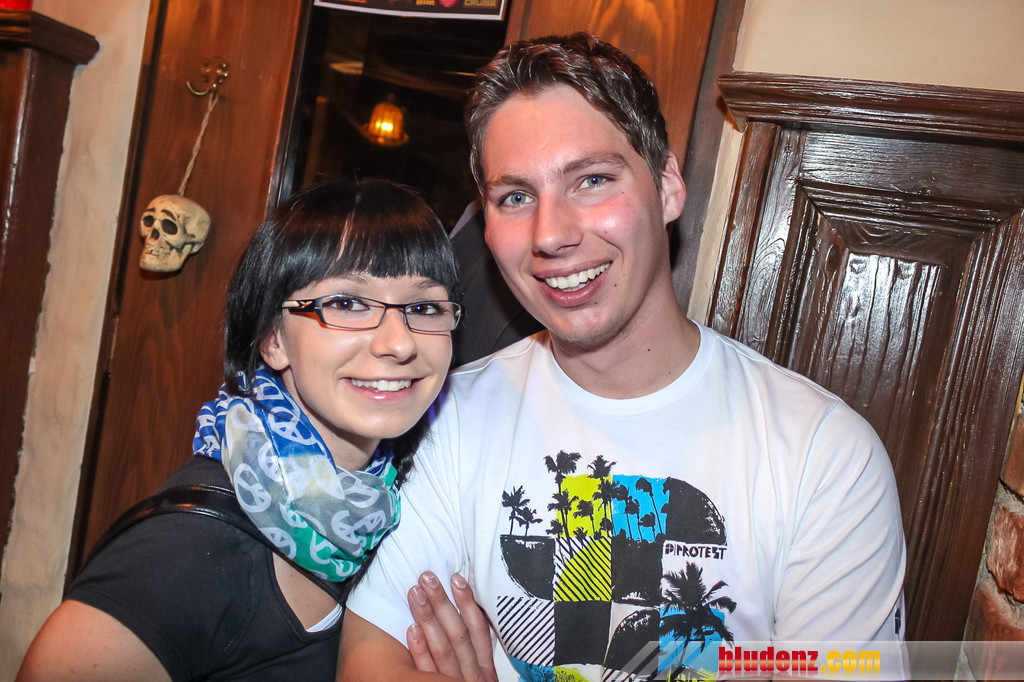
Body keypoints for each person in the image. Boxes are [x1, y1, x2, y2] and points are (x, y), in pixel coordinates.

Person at [337, 32, 907, 682]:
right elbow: (368, 660)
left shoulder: (824, 456)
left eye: (592, 180)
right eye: (516, 197)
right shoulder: (452, 416)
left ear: (667, 187)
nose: (551, 235)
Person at [18, 179, 463, 681]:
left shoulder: (387, 506)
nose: (399, 343)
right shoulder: (191, 547)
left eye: (424, 308)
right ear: (273, 340)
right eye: (347, 304)